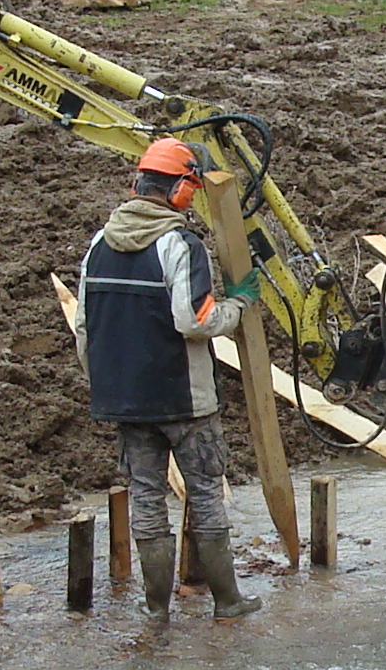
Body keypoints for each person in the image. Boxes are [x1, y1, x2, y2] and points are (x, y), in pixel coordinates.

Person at [75, 137, 262, 620]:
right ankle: (228, 601)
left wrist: (107, 383)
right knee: (204, 494)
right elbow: (194, 320)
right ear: (182, 191)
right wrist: (237, 305)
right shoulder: (180, 245)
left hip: (126, 402)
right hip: (184, 400)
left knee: (145, 498)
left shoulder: (98, 245)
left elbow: (84, 327)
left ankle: (157, 609)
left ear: (136, 183)